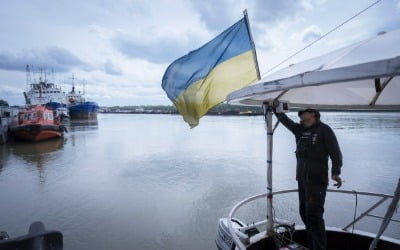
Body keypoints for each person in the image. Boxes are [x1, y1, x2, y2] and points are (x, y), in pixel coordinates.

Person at [273, 108, 343, 250]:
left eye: (304, 113)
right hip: (303, 181)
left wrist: (336, 172)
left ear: (313, 114)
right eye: (300, 115)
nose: (300, 115)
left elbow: (336, 153)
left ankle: (318, 247)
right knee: (304, 213)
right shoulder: (300, 130)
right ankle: (313, 245)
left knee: (314, 216)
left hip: (317, 182)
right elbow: (286, 121)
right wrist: (275, 109)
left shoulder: (324, 130)